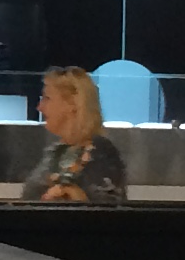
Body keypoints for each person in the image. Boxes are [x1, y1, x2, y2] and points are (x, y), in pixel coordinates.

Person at [22, 66, 128, 203]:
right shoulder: (57, 151)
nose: (40, 107)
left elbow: (108, 209)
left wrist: (72, 194)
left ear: (72, 104)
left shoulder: (100, 153)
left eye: (47, 98)